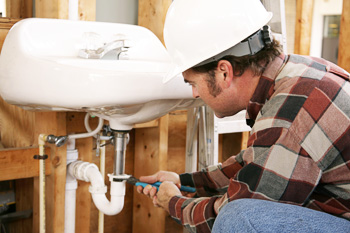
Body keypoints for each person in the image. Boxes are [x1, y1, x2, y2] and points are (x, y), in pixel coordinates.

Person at [137, 0, 350, 232]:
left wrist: (174, 203)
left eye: (193, 83)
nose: (195, 93)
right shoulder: (296, 75)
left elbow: (243, 206)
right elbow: (257, 165)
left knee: (237, 218)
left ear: (224, 72)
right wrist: (185, 182)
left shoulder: (292, 111)